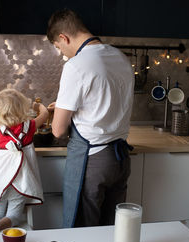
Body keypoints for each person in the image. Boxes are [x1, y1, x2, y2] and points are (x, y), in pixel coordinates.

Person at [47, 9, 134, 228]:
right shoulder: (121, 58)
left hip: (92, 161)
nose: (62, 54)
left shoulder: (76, 66)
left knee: (83, 234)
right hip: (120, 159)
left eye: (59, 48)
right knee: (111, 231)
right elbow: (103, 100)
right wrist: (67, 106)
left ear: (63, 38)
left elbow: (58, 130)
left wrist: (57, 114)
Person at [0, 89, 49, 233]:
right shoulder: (29, 127)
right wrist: (39, 106)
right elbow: (45, 115)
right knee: (14, 214)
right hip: (20, 181)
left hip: (1, 180)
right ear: (22, 109)